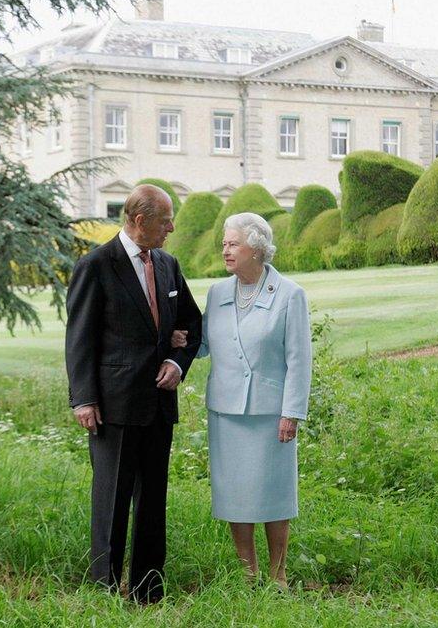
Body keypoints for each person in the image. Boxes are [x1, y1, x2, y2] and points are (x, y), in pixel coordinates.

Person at [65, 184, 202, 603]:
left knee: (152, 501)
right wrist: (83, 398)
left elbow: (191, 326)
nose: (172, 228)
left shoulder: (167, 263)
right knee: (111, 502)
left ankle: (148, 591)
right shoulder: (96, 265)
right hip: (113, 406)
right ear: (140, 222)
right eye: (165, 221)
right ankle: (104, 591)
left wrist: (177, 361)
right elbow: (79, 338)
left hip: (159, 406)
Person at [174, 212, 311, 588]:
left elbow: (299, 359)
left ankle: (278, 574)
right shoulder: (217, 293)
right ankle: (247, 573)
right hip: (227, 411)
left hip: (271, 413)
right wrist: (181, 342)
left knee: (274, 494)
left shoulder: (290, 295)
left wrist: (292, 413)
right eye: (224, 244)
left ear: (257, 249)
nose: (226, 250)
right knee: (235, 494)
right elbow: (206, 345)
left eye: (233, 243)